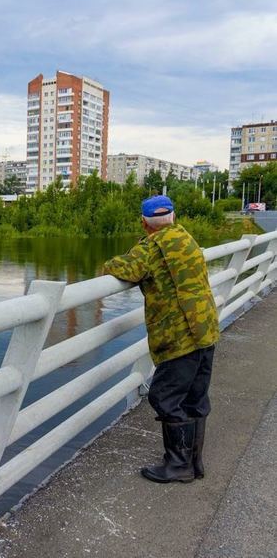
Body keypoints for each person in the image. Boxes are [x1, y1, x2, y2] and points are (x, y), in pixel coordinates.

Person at [103, 195, 219, 483]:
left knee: (163, 395)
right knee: (195, 396)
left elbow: (123, 268)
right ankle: (194, 462)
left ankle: (179, 465)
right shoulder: (186, 237)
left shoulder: (152, 246)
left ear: (144, 223)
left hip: (180, 336)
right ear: (174, 217)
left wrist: (108, 264)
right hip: (205, 330)